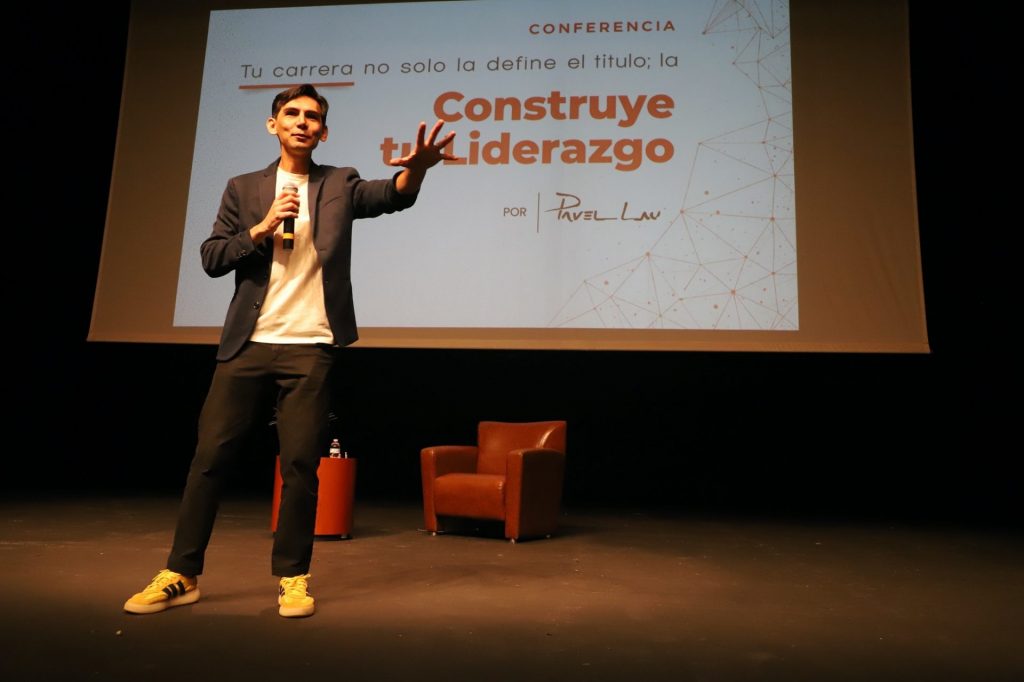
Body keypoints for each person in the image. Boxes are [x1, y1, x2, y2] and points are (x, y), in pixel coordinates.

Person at [124, 84, 456, 618]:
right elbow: (212, 257)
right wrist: (259, 229)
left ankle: (293, 577)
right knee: (209, 460)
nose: (303, 122)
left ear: (323, 132)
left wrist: (416, 170)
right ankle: (181, 573)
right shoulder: (243, 187)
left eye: (313, 117)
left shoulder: (339, 182)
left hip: (310, 346)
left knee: (300, 467)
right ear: (273, 124)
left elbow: (390, 195)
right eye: (293, 113)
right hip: (248, 344)